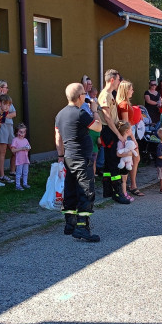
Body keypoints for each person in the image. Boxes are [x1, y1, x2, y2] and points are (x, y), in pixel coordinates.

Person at [55, 82, 102, 242]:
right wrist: (94, 110)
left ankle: (70, 224)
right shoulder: (81, 113)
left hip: (69, 157)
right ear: (80, 96)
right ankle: (82, 227)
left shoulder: (60, 114)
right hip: (82, 158)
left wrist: (61, 155)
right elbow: (98, 127)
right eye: (84, 94)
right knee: (85, 191)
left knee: (70, 190)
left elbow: (58, 137)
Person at [98, 69, 130, 204]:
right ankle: (117, 193)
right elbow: (107, 118)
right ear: (112, 80)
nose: (119, 82)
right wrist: (118, 134)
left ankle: (107, 190)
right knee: (114, 162)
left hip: (110, 130)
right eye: (117, 80)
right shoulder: (105, 95)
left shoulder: (110, 94)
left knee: (108, 162)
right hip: (108, 131)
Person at [116, 80, 144, 196]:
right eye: (131, 89)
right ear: (126, 90)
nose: (133, 91)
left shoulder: (123, 103)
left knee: (133, 159)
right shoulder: (124, 104)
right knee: (134, 159)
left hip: (127, 134)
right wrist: (133, 139)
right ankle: (132, 185)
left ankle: (129, 184)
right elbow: (126, 124)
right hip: (127, 135)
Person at [0, 80, 17, 184]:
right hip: (1, 127)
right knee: (3, 151)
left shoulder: (7, 98)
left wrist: (5, 114)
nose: (7, 89)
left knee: (15, 149)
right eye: (6, 87)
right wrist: (5, 114)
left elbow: (14, 113)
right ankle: (2, 175)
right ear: (0, 88)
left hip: (9, 127)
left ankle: (12, 171)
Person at [116, 121, 136, 201]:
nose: (131, 131)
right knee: (123, 180)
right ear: (127, 131)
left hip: (127, 163)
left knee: (125, 179)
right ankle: (124, 194)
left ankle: (124, 193)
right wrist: (129, 153)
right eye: (131, 129)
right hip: (123, 163)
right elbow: (118, 154)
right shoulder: (121, 142)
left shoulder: (127, 141)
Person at [10, 123, 31, 190]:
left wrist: (28, 148)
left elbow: (29, 147)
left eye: (24, 132)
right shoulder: (15, 140)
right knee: (19, 173)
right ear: (17, 132)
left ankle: (25, 183)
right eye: (20, 132)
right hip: (19, 159)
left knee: (25, 172)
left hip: (25, 159)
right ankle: (18, 185)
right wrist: (21, 148)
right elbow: (13, 150)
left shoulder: (25, 140)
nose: (22, 134)